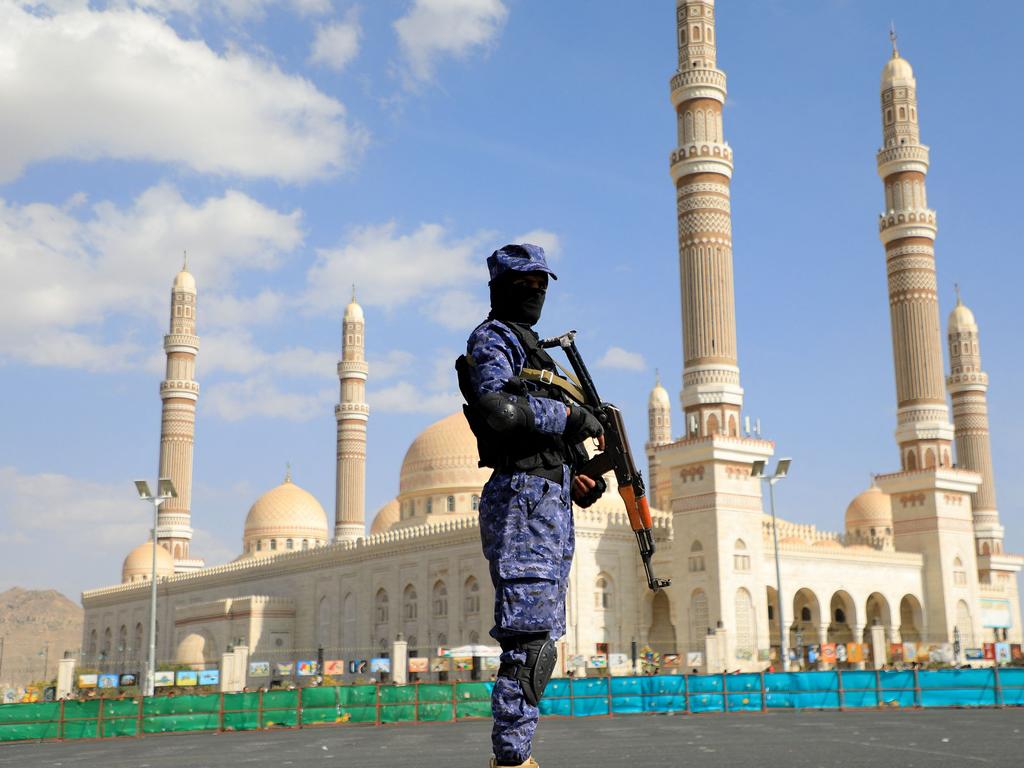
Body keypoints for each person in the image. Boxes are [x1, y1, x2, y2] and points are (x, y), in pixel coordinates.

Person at [459, 244, 606, 768]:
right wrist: (569, 419)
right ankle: (512, 760)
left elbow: (538, 435)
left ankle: (517, 755)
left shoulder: (537, 351)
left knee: (541, 639)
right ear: (499, 287)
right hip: (522, 503)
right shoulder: (492, 339)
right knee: (528, 645)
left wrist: (578, 478)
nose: (536, 293)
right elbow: (498, 409)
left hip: (546, 502)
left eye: (543, 284)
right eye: (526, 285)